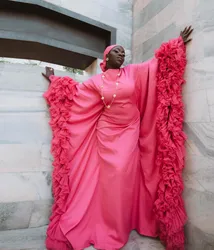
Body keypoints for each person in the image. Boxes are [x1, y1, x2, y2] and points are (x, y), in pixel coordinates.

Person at [42, 26, 193, 250]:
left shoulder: (133, 72)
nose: (121, 54)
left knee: (125, 174)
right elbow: (77, 93)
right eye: (117, 51)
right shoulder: (95, 81)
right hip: (106, 133)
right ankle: (107, 221)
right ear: (106, 57)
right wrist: (56, 81)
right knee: (110, 178)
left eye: (123, 52)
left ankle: (127, 220)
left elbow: (155, 65)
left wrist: (176, 45)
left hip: (130, 130)